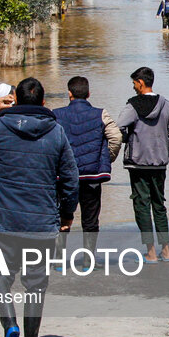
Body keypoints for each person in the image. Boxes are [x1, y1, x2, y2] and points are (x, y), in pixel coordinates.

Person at [0, 77, 79, 337]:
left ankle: (10, 326)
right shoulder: (57, 133)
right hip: (41, 223)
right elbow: (71, 180)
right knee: (36, 284)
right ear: (43, 103)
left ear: (15, 100)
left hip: (3, 221)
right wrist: (66, 215)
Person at [53, 76, 123, 260]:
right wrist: (106, 159)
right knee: (90, 220)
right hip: (92, 176)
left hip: (64, 178)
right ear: (89, 94)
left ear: (69, 94)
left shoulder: (56, 115)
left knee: (63, 217)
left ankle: (59, 260)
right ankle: (87, 261)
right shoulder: (101, 114)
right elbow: (116, 137)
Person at [117, 67, 169, 263]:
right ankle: (166, 250)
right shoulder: (166, 105)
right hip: (159, 165)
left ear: (141, 83)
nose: (133, 87)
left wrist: (129, 140)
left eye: (134, 83)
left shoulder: (132, 106)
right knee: (159, 205)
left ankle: (150, 252)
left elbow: (118, 127)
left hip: (137, 164)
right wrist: (162, 153)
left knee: (142, 206)